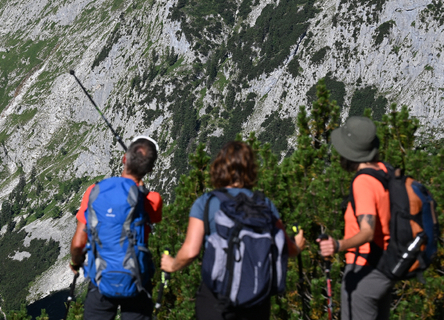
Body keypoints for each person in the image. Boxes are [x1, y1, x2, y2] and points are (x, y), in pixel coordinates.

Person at [160, 141, 305, 320]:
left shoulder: (206, 202)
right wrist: (297, 246)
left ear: (219, 167)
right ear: (251, 170)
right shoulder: (264, 204)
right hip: (256, 299)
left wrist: (171, 264)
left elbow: (191, 252)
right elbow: (286, 248)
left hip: (216, 299)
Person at [69, 136, 163, 320]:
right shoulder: (152, 200)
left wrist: (75, 262)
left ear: (124, 159)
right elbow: (152, 218)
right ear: (150, 169)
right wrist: (140, 188)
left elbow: (79, 242)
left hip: (101, 279)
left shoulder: (93, 192)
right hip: (137, 279)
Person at [317, 116, 393, 320]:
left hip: (365, 269)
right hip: (386, 268)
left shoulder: (364, 181)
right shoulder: (386, 171)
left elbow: (367, 231)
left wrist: (337, 245)